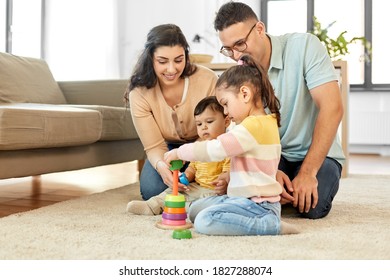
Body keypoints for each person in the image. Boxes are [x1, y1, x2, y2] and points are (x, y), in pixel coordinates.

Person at [213, 2, 345, 219]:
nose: (236, 56)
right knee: (251, 195)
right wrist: (270, 171)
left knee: (312, 206)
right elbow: (244, 130)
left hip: (318, 155)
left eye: (240, 44)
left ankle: (290, 188)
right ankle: (280, 192)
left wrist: (308, 173)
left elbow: (332, 108)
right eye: (228, 49)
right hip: (272, 154)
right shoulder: (241, 72)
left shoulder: (304, 47)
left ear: (259, 29)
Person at [165, 55, 298, 236]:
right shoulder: (257, 123)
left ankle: (270, 225)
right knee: (195, 209)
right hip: (239, 198)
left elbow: (216, 149)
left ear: (245, 94)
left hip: (258, 205)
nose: (226, 112)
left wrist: (181, 152)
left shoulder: (254, 126)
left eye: (226, 104)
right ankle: (243, 215)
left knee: (205, 221)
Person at [124, 24, 219, 201]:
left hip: (205, 143)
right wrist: (161, 166)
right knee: (152, 190)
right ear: (150, 58)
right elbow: (154, 146)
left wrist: (190, 153)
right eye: (162, 61)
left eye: (178, 60)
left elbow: (219, 128)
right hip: (167, 149)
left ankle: (199, 189)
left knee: (215, 181)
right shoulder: (139, 93)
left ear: (186, 55)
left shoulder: (207, 79)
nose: (171, 69)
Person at [126, 96, 231, 215]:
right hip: (196, 186)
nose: (204, 127)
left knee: (213, 203)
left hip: (214, 191)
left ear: (226, 121)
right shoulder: (197, 146)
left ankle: (186, 208)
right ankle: (152, 205)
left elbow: (228, 172)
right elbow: (193, 167)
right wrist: (185, 176)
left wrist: (224, 182)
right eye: (199, 124)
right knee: (172, 190)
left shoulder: (225, 147)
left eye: (209, 122)